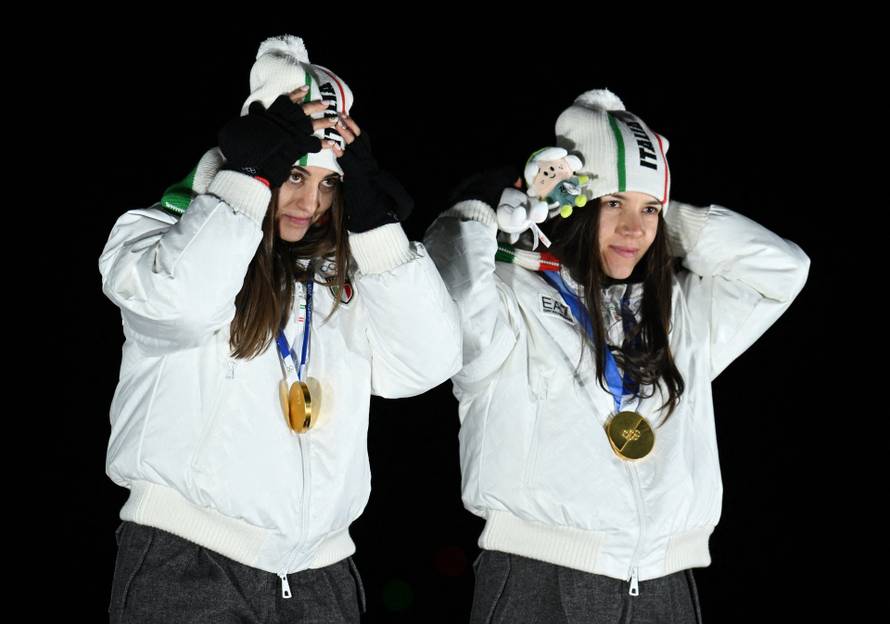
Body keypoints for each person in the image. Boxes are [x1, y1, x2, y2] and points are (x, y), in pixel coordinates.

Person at [99, 34, 461, 623]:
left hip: (322, 576)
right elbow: (182, 303)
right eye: (293, 175)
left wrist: (373, 224)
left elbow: (427, 363)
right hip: (191, 562)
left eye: (329, 184)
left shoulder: (338, 273)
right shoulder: (153, 232)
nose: (309, 202)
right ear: (259, 154)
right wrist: (244, 178)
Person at [423, 89, 810, 623]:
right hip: (540, 578)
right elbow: (449, 312)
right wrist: (472, 215)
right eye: (613, 203)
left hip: (666, 585)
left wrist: (671, 220)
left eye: (648, 208)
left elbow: (785, 270)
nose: (635, 228)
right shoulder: (512, 295)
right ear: (574, 204)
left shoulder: (675, 311)